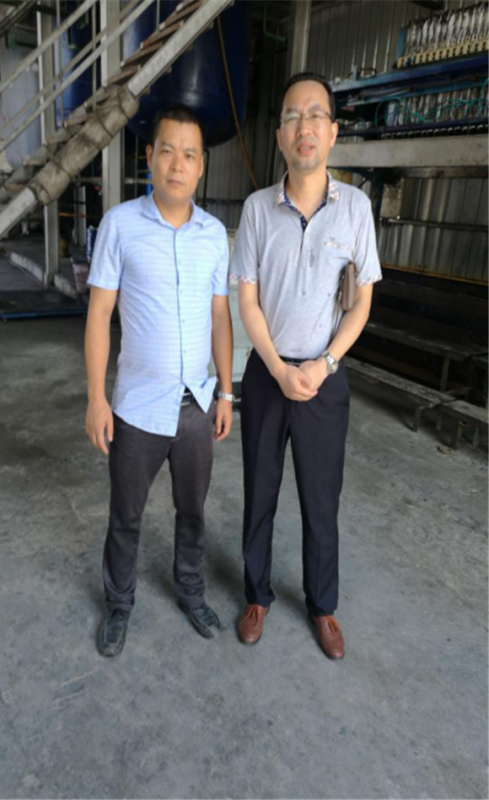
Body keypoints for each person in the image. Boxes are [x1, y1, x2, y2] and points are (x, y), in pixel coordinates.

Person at [230, 73, 382, 659]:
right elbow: (247, 299)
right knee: (259, 491)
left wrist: (325, 364)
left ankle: (322, 605)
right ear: (279, 135)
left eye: (315, 114)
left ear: (333, 132)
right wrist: (274, 366)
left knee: (322, 498)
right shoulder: (257, 209)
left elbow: (361, 301)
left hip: (325, 380)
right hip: (266, 376)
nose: (304, 126)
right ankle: (256, 595)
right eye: (292, 116)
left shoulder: (356, 209)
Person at [85, 105, 234, 657]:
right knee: (126, 515)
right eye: (167, 151)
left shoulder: (214, 235)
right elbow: (99, 314)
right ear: (149, 157)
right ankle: (118, 604)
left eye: (189, 154)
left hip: (196, 404)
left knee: (192, 511)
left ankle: (191, 591)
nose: (177, 164)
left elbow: (220, 317)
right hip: (136, 408)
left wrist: (226, 391)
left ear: (201, 166)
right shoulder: (120, 225)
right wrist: (96, 397)